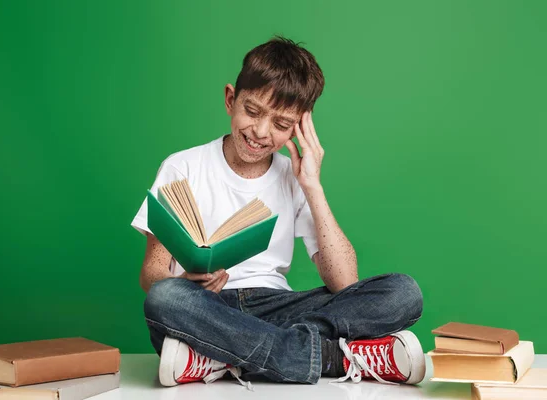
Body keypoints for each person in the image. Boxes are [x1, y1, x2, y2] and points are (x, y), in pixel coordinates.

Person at [131, 36, 425, 389]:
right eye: (252, 111)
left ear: (299, 127)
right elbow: (151, 274)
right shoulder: (183, 167)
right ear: (230, 99)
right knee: (164, 299)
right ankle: (333, 357)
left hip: (278, 307)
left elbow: (345, 282)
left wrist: (312, 186)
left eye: (282, 124)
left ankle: (216, 359)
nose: (260, 131)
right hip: (205, 307)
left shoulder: (293, 176)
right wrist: (185, 283)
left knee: (403, 293)